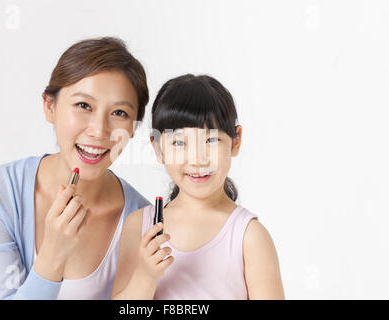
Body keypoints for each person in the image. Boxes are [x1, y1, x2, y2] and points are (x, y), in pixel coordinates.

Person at [0, 37, 151, 299]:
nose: (99, 131)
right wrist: (53, 255)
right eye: (83, 106)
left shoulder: (142, 221)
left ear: (133, 128)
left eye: (119, 113)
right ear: (50, 107)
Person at [111, 74, 285, 299]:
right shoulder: (139, 227)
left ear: (236, 140)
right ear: (158, 149)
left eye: (211, 140)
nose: (197, 159)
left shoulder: (250, 237)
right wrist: (145, 276)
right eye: (179, 143)